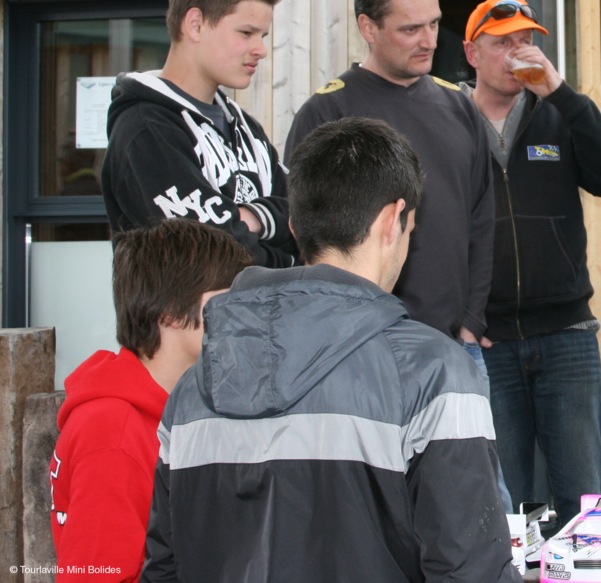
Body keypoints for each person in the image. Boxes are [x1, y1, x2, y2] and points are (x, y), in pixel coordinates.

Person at [142, 117, 518, 583]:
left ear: (294, 226)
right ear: (392, 220)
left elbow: (164, 569)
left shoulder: (193, 388)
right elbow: (470, 570)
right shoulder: (433, 374)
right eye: (411, 228)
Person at [459, 0, 601, 525]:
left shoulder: (559, 114)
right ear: (472, 53)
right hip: (487, 343)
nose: (518, 53)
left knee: (583, 500)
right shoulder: (448, 122)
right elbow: (426, 230)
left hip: (566, 336)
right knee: (503, 505)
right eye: (502, 43)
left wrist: (561, 93)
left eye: (526, 41)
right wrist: (456, 314)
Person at [285, 0, 494, 345]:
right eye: (411, 29)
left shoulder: (460, 107)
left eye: (434, 23)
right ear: (368, 27)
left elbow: (482, 217)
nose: (430, 41)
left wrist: (472, 320)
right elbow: (305, 238)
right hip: (358, 344)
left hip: (454, 343)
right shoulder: (328, 111)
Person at [51, 219, 253, 583]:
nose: (245, 314)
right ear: (172, 312)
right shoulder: (112, 433)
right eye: (229, 299)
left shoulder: (179, 407)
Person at [102, 0, 297, 267]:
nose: (260, 49)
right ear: (195, 25)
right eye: (246, 33)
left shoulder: (246, 129)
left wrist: (255, 218)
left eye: (263, 36)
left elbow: (309, 217)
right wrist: (290, 266)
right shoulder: (146, 130)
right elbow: (211, 257)